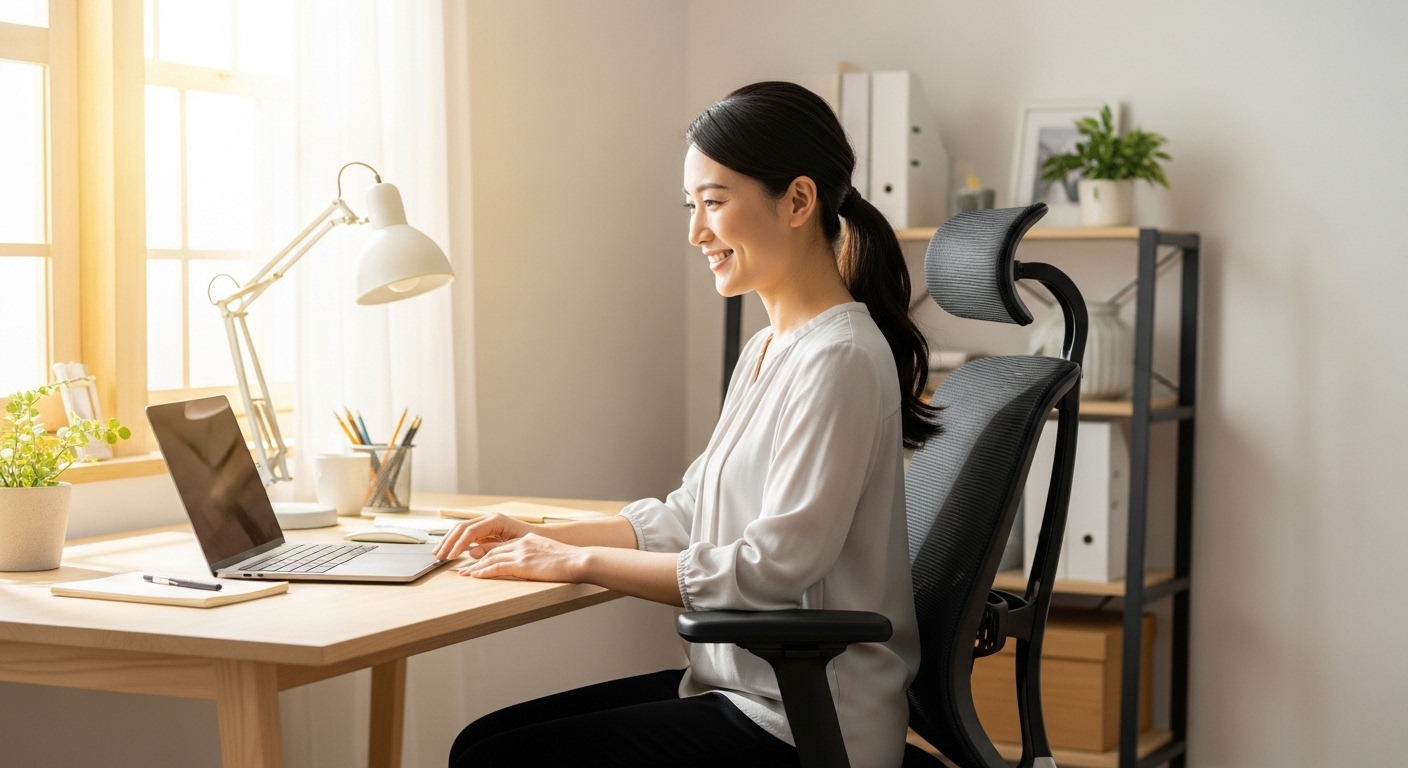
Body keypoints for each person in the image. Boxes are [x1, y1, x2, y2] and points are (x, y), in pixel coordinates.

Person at [437, 81, 938, 768]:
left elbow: (771, 570)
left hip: (807, 720)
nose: (697, 232)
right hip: (742, 691)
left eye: (714, 202)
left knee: (495, 759)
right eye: (691, 206)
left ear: (798, 200)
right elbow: (688, 514)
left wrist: (578, 562)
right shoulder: (767, 350)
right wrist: (539, 536)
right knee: (480, 744)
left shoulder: (840, 357)